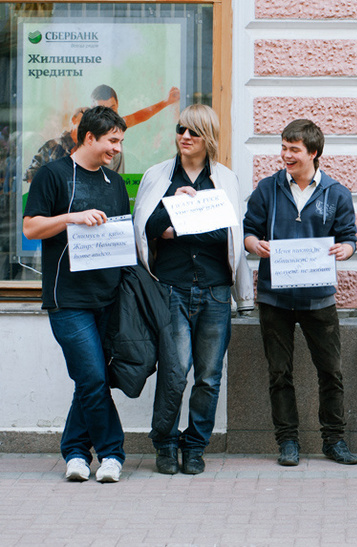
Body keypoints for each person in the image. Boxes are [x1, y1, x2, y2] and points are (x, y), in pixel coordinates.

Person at [133, 104, 254, 475]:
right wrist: (176, 209)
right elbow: (147, 226)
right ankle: (166, 443)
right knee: (174, 371)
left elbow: (227, 233)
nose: (184, 137)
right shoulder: (159, 176)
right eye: (181, 129)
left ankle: (196, 445)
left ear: (208, 138)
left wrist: (182, 225)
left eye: (193, 132)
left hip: (216, 291)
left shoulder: (225, 179)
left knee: (209, 375)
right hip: (171, 288)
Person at [243, 119, 357, 466]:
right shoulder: (267, 188)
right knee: (280, 372)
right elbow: (249, 231)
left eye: (293, 149)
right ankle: (288, 441)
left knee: (331, 371)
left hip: (319, 298)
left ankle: (334, 440)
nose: (285, 155)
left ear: (314, 153)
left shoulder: (336, 193)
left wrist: (346, 251)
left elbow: (350, 237)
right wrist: (255, 245)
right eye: (283, 147)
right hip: (274, 297)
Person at [22, 106, 129, 483]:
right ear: (89, 137)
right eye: (111, 140)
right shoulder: (51, 175)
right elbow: (31, 228)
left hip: (108, 299)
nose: (116, 148)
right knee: (93, 379)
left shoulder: (114, 184)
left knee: (90, 379)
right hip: (67, 300)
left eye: (119, 141)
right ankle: (113, 454)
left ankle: (76, 453)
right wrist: (71, 218)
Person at [91, 84, 181, 173]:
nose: (109, 116)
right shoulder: (88, 134)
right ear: (93, 109)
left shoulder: (118, 124)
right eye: (102, 111)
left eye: (112, 109)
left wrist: (167, 101)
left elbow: (141, 115)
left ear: (117, 104)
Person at [23, 107, 87, 184]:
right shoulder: (54, 145)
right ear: (73, 120)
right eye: (82, 122)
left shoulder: (90, 149)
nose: (84, 127)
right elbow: (30, 175)